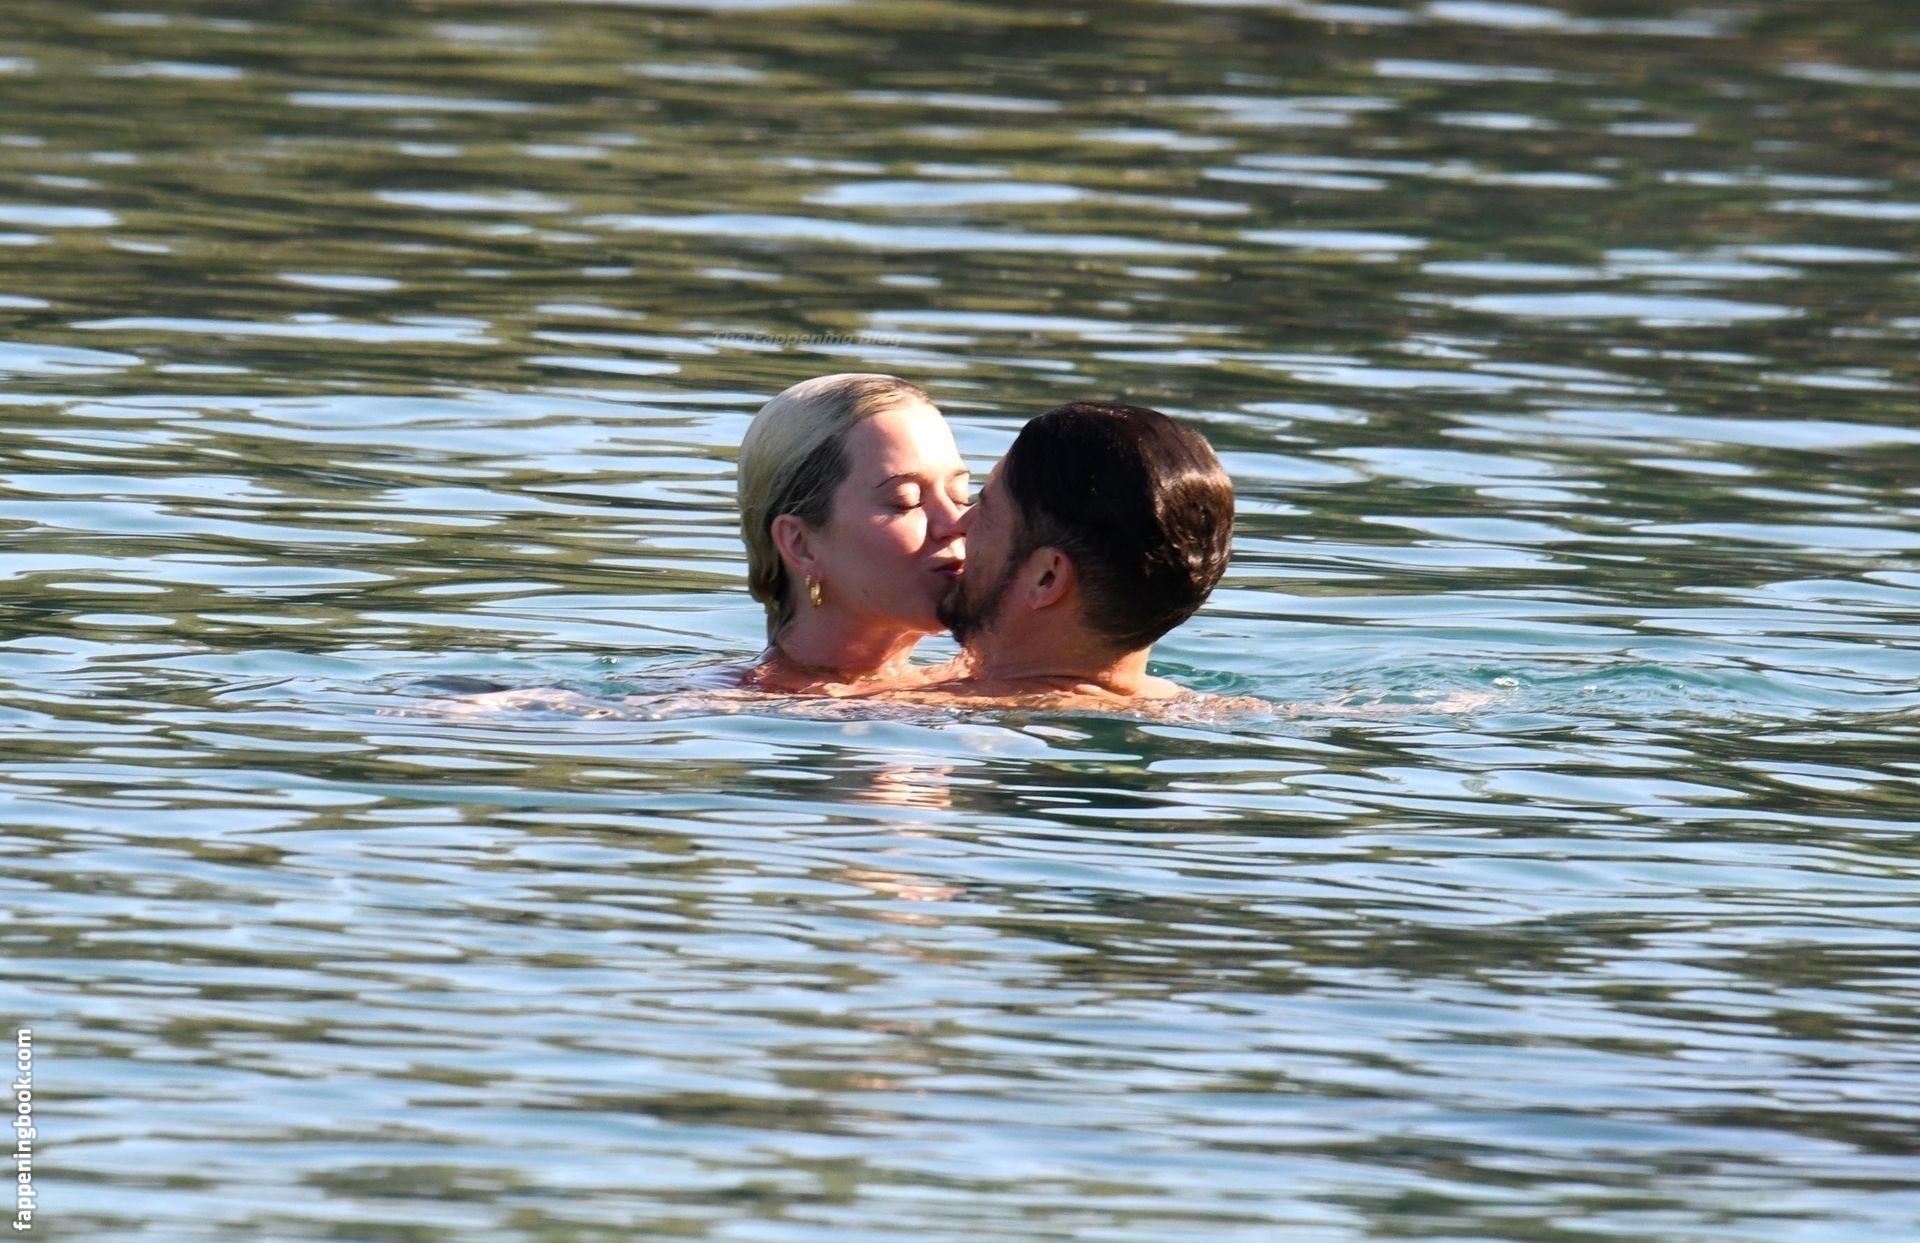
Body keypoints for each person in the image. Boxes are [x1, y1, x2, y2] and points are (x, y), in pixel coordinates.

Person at [908, 400, 1235, 707]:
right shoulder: (1208, 708)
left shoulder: (913, 712)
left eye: (987, 507)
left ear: (1047, 578)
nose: (960, 523)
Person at [736, 372, 970, 692]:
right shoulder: (731, 700)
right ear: (801, 545)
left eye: (960, 497)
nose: (955, 523)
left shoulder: (983, 679)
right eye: (906, 501)